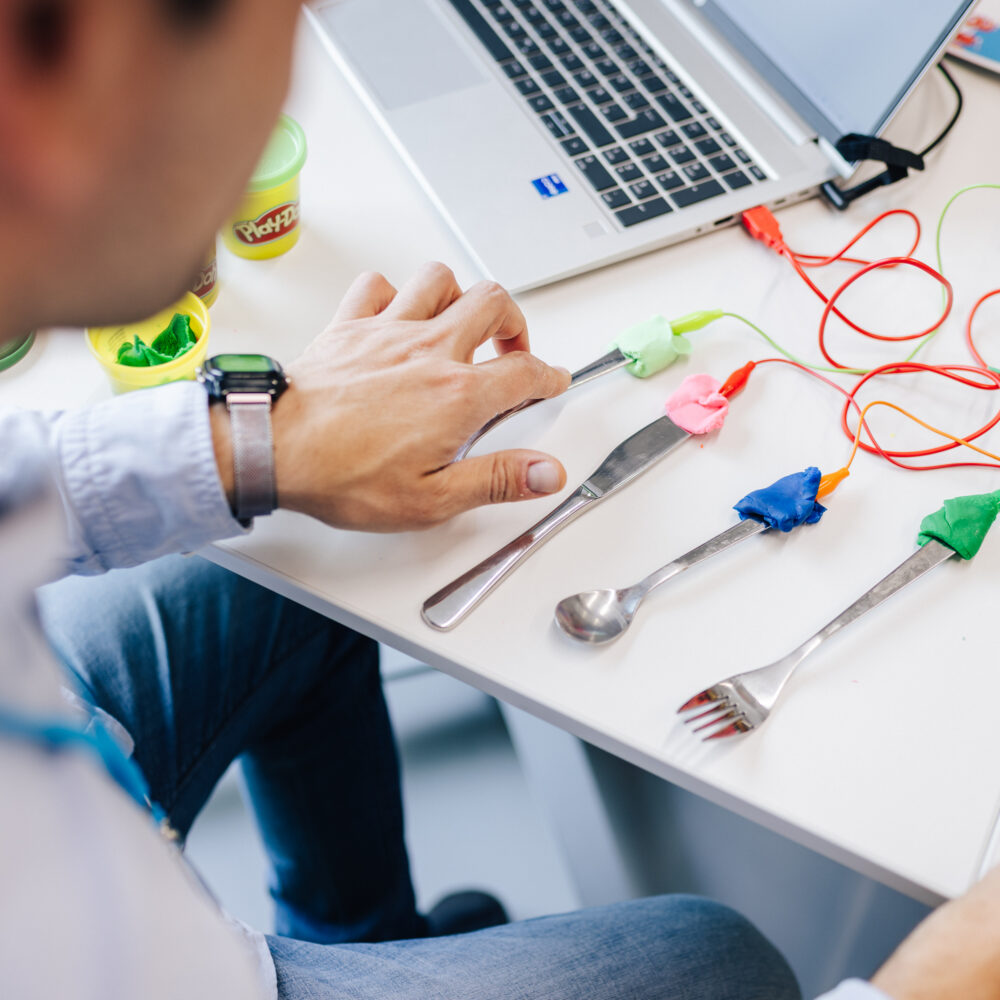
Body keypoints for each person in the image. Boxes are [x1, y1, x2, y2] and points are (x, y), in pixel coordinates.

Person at [0, 2, 988, 999]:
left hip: (58, 751)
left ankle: (361, 930)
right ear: (58, 65)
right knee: (715, 962)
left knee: (297, 569)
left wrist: (261, 441)